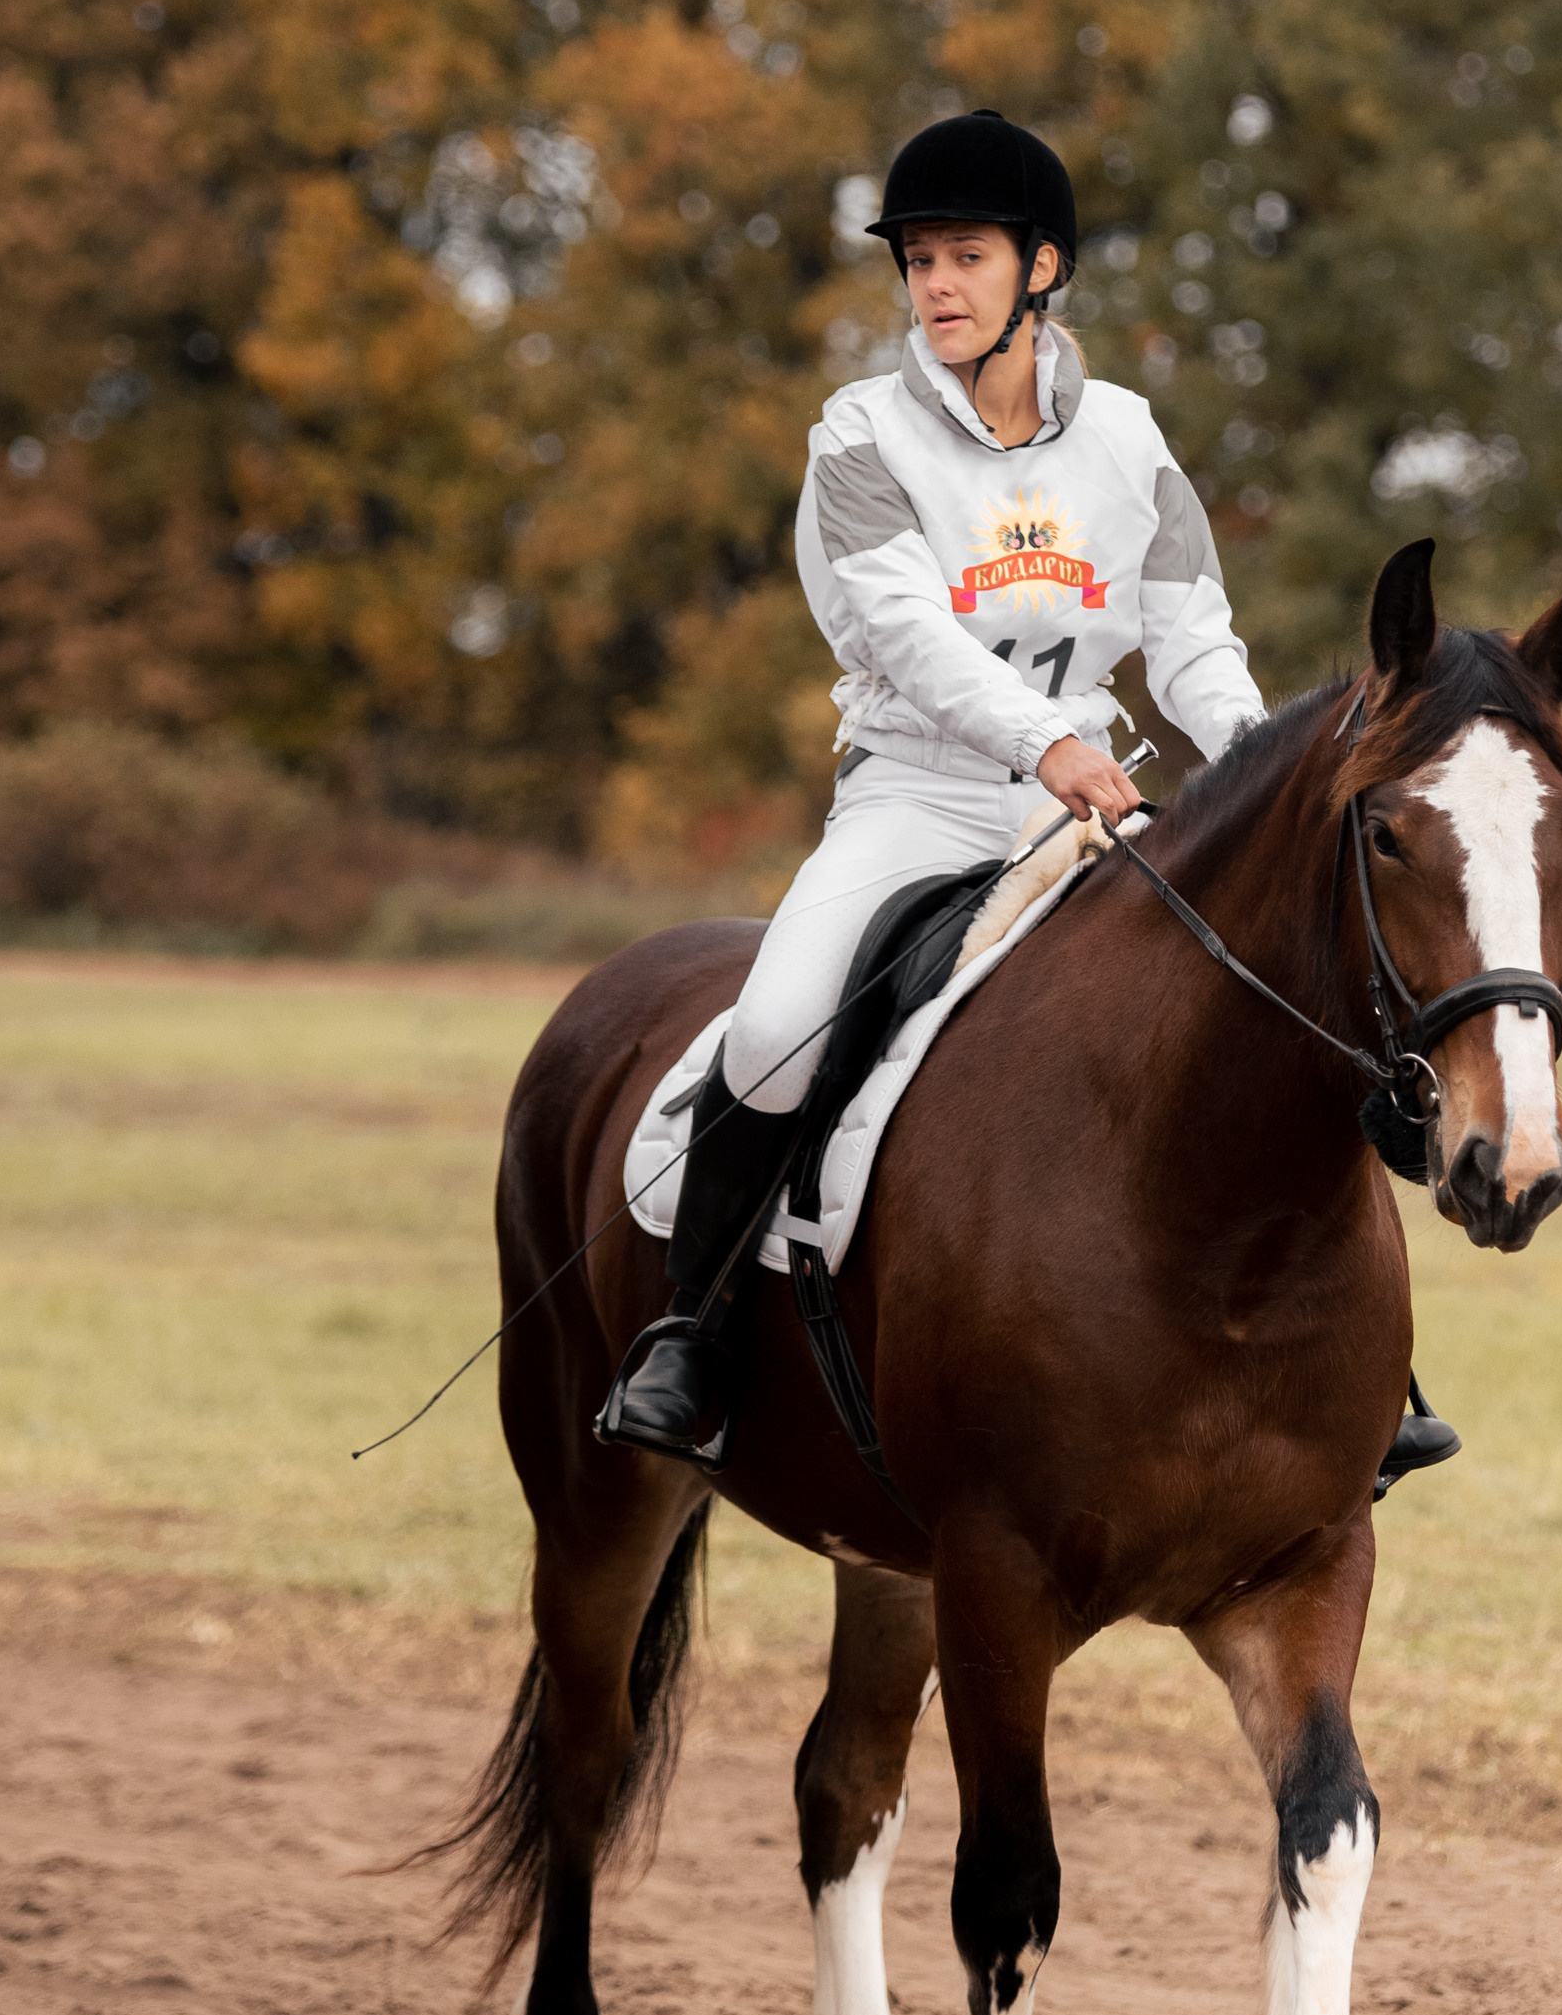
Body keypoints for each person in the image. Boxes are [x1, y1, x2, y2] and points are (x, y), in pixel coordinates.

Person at [596, 109, 1458, 1494]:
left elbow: (1190, 643)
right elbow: (900, 635)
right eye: (919, 261)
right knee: (768, 1034)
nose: (935, 285)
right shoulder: (859, 436)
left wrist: (1264, 788)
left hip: (1096, 805)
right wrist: (1045, 739)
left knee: (1275, 1000)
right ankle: (690, 1343)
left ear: (1040, 268)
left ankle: (1369, 1375)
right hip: (919, 798)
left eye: (965, 258)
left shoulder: (1126, 440)